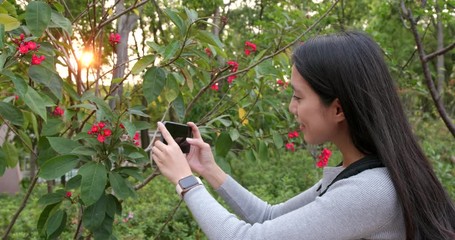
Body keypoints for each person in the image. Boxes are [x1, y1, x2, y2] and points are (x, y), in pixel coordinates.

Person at [152, 31, 455, 240]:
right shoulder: (358, 174)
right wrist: (208, 170)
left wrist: (186, 182)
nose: (291, 107)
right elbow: (267, 217)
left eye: (298, 97)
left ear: (338, 109)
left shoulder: (370, 191)